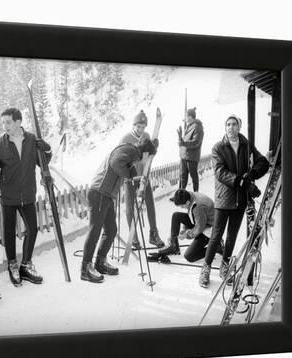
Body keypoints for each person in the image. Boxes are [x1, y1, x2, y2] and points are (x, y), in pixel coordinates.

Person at [0, 107, 52, 287]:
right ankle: (12, 265)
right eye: (3, 123)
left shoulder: (32, 140)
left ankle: (26, 265)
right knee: (8, 233)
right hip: (8, 196)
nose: (5, 126)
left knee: (32, 229)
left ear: (19, 122)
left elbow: (43, 163)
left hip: (27, 194)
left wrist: (47, 151)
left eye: (8, 122)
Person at [198, 115, 269, 288]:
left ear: (239, 126)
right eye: (228, 124)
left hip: (240, 200)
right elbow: (220, 172)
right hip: (224, 199)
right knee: (216, 237)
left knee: (231, 237)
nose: (231, 127)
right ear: (225, 127)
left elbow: (263, 162)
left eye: (234, 124)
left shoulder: (246, 145)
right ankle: (205, 270)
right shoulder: (218, 147)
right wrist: (243, 182)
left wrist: (252, 174)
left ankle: (224, 268)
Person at [81, 138, 157, 283]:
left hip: (106, 195)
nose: (148, 161)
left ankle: (100, 262)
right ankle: (85, 268)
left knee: (111, 230)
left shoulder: (130, 152)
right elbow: (116, 163)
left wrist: (133, 176)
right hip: (99, 193)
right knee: (95, 230)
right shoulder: (132, 151)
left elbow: (125, 168)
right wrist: (129, 175)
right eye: (150, 157)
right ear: (146, 153)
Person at [119, 109, 165, 250]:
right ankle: (134, 238)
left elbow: (148, 156)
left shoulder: (146, 135)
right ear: (133, 126)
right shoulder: (126, 139)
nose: (140, 130)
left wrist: (154, 148)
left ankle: (153, 234)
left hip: (144, 176)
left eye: (143, 127)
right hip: (130, 178)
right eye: (138, 126)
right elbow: (120, 158)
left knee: (150, 204)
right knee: (130, 208)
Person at [155, 189, 223, 262]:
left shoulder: (198, 207)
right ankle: (174, 247)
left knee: (189, 256)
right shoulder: (189, 196)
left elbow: (199, 227)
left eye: (182, 206)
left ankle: (216, 247)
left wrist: (186, 235)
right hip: (203, 220)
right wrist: (183, 230)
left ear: (187, 202)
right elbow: (191, 215)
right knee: (176, 216)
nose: (181, 208)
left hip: (210, 229)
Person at [177, 107, 204, 192]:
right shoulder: (189, 126)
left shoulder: (197, 127)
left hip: (191, 157)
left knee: (193, 177)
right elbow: (185, 141)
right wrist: (180, 138)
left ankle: (196, 194)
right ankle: (180, 195)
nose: (185, 119)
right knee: (182, 176)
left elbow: (196, 142)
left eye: (186, 116)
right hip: (184, 156)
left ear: (190, 117)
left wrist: (183, 143)